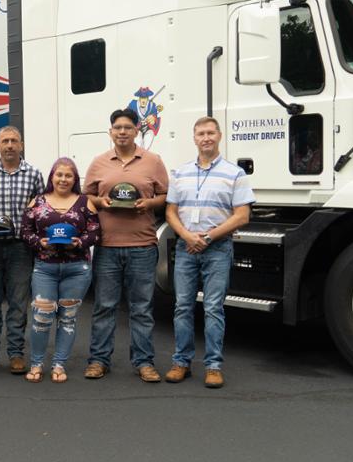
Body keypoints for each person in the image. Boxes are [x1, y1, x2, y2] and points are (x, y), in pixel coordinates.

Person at [164, 116, 254, 388]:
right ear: (194, 138)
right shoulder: (180, 173)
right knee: (182, 307)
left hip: (217, 248)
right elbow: (170, 211)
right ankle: (181, 363)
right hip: (186, 247)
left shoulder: (235, 174)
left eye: (210, 133)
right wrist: (188, 236)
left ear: (219, 136)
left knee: (214, 308)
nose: (206, 138)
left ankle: (213, 366)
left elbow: (242, 216)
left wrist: (208, 236)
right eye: (201, 133)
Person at [83, 108, 169, 382]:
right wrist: (100, 202)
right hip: (107, 246)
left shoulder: (153, 161)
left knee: (141, 309)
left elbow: (165, 195)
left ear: (136, 131)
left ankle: (144, 362)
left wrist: (150, 203)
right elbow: (86, 198)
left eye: (128, 127)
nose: (122, 132)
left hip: (142, 246)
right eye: (117, 127)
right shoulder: (98, 163)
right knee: (105, 307)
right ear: (111, 132)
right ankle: (98, 360)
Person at [20, 157, 100, 383]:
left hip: (77, 269)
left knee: (68, 318)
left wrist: (80, 243)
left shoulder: (85, 202)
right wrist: (39, 243)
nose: (63, 179)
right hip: (45, 268)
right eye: (59, 174)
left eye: (69, 175)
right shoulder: (36, 202)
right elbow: (25, 231)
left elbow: (95, 232)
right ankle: (36, 363)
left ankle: (59, 364)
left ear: (75, 179)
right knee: (41, 316)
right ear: (52, 177)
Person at [0, 126, 43, 375]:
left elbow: (40, 210)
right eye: (5, 141)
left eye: (14, 141)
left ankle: (15, 354)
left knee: (18, 303)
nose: (10, 145)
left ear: (21, 145)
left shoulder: (34, 174)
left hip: (20, 248)